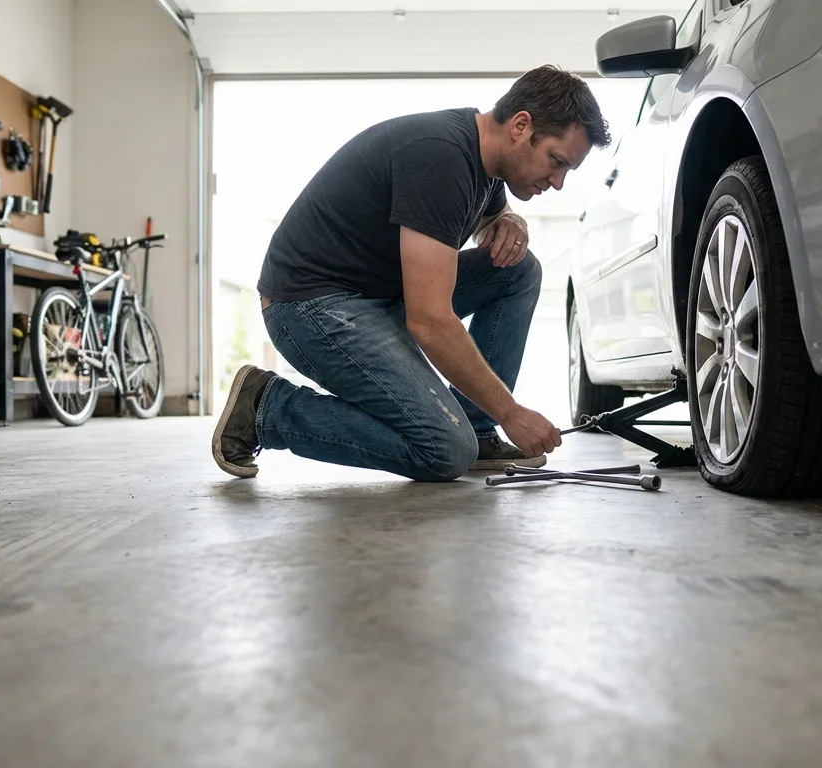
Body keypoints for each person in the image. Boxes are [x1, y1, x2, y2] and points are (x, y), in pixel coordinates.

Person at [212, 65, 612, 482]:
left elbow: (490, 215)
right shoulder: (439, 157)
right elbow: (430, 321)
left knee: (518, 271)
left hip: (374, 297)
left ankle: (478, 428)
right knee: (444, 450)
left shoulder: (484, 160)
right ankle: (267, 408)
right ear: (520, 125)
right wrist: (512, 413)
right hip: (310, 306)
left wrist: (512, 221)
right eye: (556, 161)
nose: (560, 182)